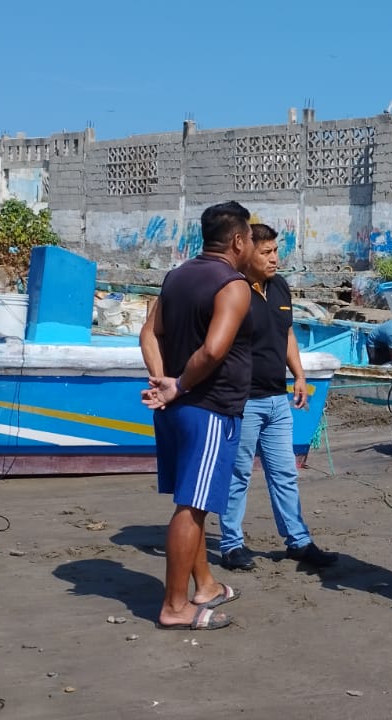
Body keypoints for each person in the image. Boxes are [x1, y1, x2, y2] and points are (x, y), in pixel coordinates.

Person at [138, 201, 258, 630]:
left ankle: (204, 584)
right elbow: (213, 351)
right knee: (191, 507)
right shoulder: (233, 285)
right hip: (208, 408)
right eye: (251, 238)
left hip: (177, 409)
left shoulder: (177, 276)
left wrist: (162, 381)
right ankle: (175, 606)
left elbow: (149, 332)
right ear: (238, 241)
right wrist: (180, 385)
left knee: (196, 502)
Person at [218, 223, 338, 572]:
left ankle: (298, 542)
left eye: (276, 251)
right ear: (246, 252)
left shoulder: (280, 286)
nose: (274, 259)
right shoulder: (234, 289)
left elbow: (286, 335)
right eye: (266, 252)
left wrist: (299, 375)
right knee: (238, 475)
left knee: (285, 473)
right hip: (243, 401)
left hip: (277, 399)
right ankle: (231, 544)